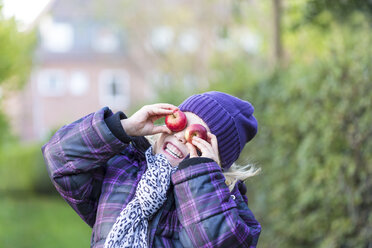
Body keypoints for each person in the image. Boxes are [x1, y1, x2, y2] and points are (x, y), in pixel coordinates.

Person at [42, 91, 261, 248]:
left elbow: (217, 241)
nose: (181, 136)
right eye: (181, 123)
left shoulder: (227, 205)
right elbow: (60, 158)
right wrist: (122, 128)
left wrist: (202, 174)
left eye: (197, 136)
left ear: (215, 158)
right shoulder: (124, 169)